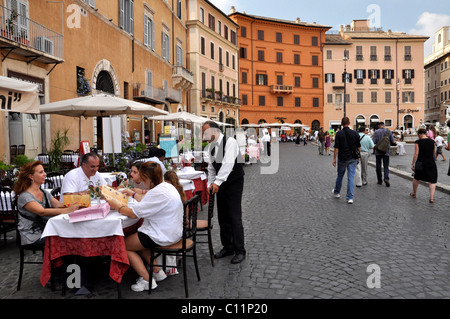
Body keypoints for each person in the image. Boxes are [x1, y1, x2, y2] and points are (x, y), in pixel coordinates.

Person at [106, 161, 183, 292]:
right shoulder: (165, 187)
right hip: (173, 231)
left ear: (146, 178)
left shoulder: (157, 192)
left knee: (123, 245)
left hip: (163, 234)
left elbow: (132, 214)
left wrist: (116, 204)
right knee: (137, 240)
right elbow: (148, 203)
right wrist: (133, 195)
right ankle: (157, 270)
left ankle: (147, 279)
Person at [202, 120, 246, 264]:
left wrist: (217, 182)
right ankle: (228, 246)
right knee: (222, 215)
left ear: (214, 131)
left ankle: (240, 250)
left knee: (234, 216)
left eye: (205, 132)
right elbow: (211, 168)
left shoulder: (230, 141)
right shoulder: (210, 148)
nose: (204, 136)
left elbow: (228, 164)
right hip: (220, 184)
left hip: (234, 182)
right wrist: (210, 183)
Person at [14, 161, 79, 248]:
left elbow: (59, 205)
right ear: (31, 176)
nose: (45, 174)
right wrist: (67, 210)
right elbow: (42, 212)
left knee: (73, 235)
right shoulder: (25, 196)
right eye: (41, 172)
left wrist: (78, 203)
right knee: (66, 240)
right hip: (32, 236)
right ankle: (59, 261)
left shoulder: (44, 192)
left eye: (44, 171)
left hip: (46, 230)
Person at [332, 117, 361, 204]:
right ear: (349, 122)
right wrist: (358, 157)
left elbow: (336, 148)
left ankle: (337, 192)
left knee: (340, 175)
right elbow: (358, 146)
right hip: (352, 157)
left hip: (342, 157)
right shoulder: (355, 133)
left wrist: (334, 159)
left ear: (341, 123)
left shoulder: (339, 134)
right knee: (351, 177)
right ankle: (350, 198)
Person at [410, 128, 438, 203]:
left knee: (416, 178)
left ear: (419, 134)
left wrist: (413, 164)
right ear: (425, 133)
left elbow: (416, 154)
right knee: (432, 180)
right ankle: (431, 198)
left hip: (420, 162)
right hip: (431, 162)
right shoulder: (432, 142)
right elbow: (433, 153)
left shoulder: (418, 142)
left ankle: (414, 193)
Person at [372, 122, 396, 187]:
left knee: (378, 166)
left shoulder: (376, 132)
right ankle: (386, 178)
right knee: (386, 166)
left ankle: (379, 180)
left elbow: (373, 142)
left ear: (378, 126)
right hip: (386, 151)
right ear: (383, 125)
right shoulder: (389, 131)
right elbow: (393, 141)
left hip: (378, 151)